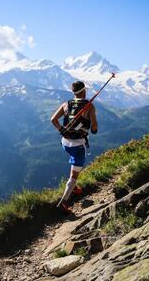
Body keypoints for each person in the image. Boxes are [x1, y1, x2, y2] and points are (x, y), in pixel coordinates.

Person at [50, 81, 98, 213]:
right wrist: (93, 128)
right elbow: (94, 127)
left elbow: (53, 119)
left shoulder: (66, 104)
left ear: (73, 92)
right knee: (74, 174)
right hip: (78, 145)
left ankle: (74, 187)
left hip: (65, 143)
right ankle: (63, 202)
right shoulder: (89, 106)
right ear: (84, 91)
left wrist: (62, 130)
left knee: (74, 163)